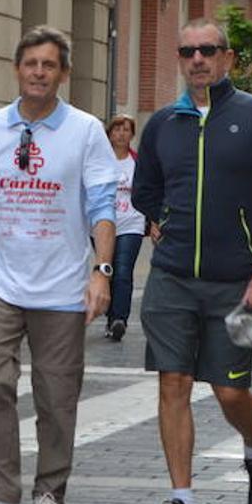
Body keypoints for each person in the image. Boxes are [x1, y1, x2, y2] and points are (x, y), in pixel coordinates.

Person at [0, 25, 119, 504]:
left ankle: (50, 493)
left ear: (63, 74)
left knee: (55, 395)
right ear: (17, 69)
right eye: (31, 64)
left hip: (62, 287)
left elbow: (101, 206)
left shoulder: (87, 131)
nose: (39, 73)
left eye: (49, 65)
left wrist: (102, 269)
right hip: (2, 282)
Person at [132, 19, 252, 504]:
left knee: (230, 392)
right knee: (172, 382)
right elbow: (143, 191)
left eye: (207, 50)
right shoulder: (161, 124)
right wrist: (163, 222)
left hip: (237, 282)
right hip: (172, 276)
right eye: (187, 51)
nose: (197, 59)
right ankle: (183, 503)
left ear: (227, 58)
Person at [105, 114, 145, 342]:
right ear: (110, 133)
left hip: (132, 222)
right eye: (117, 129)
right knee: (107, 271)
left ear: (132, 134)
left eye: (126, 130)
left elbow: (148, 192)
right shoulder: (100, 160)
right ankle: (111, 317)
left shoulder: (138, 162)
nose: (121, 134)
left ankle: (119, 318)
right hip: (103, 225)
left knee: (123, 270)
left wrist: (155, 221)